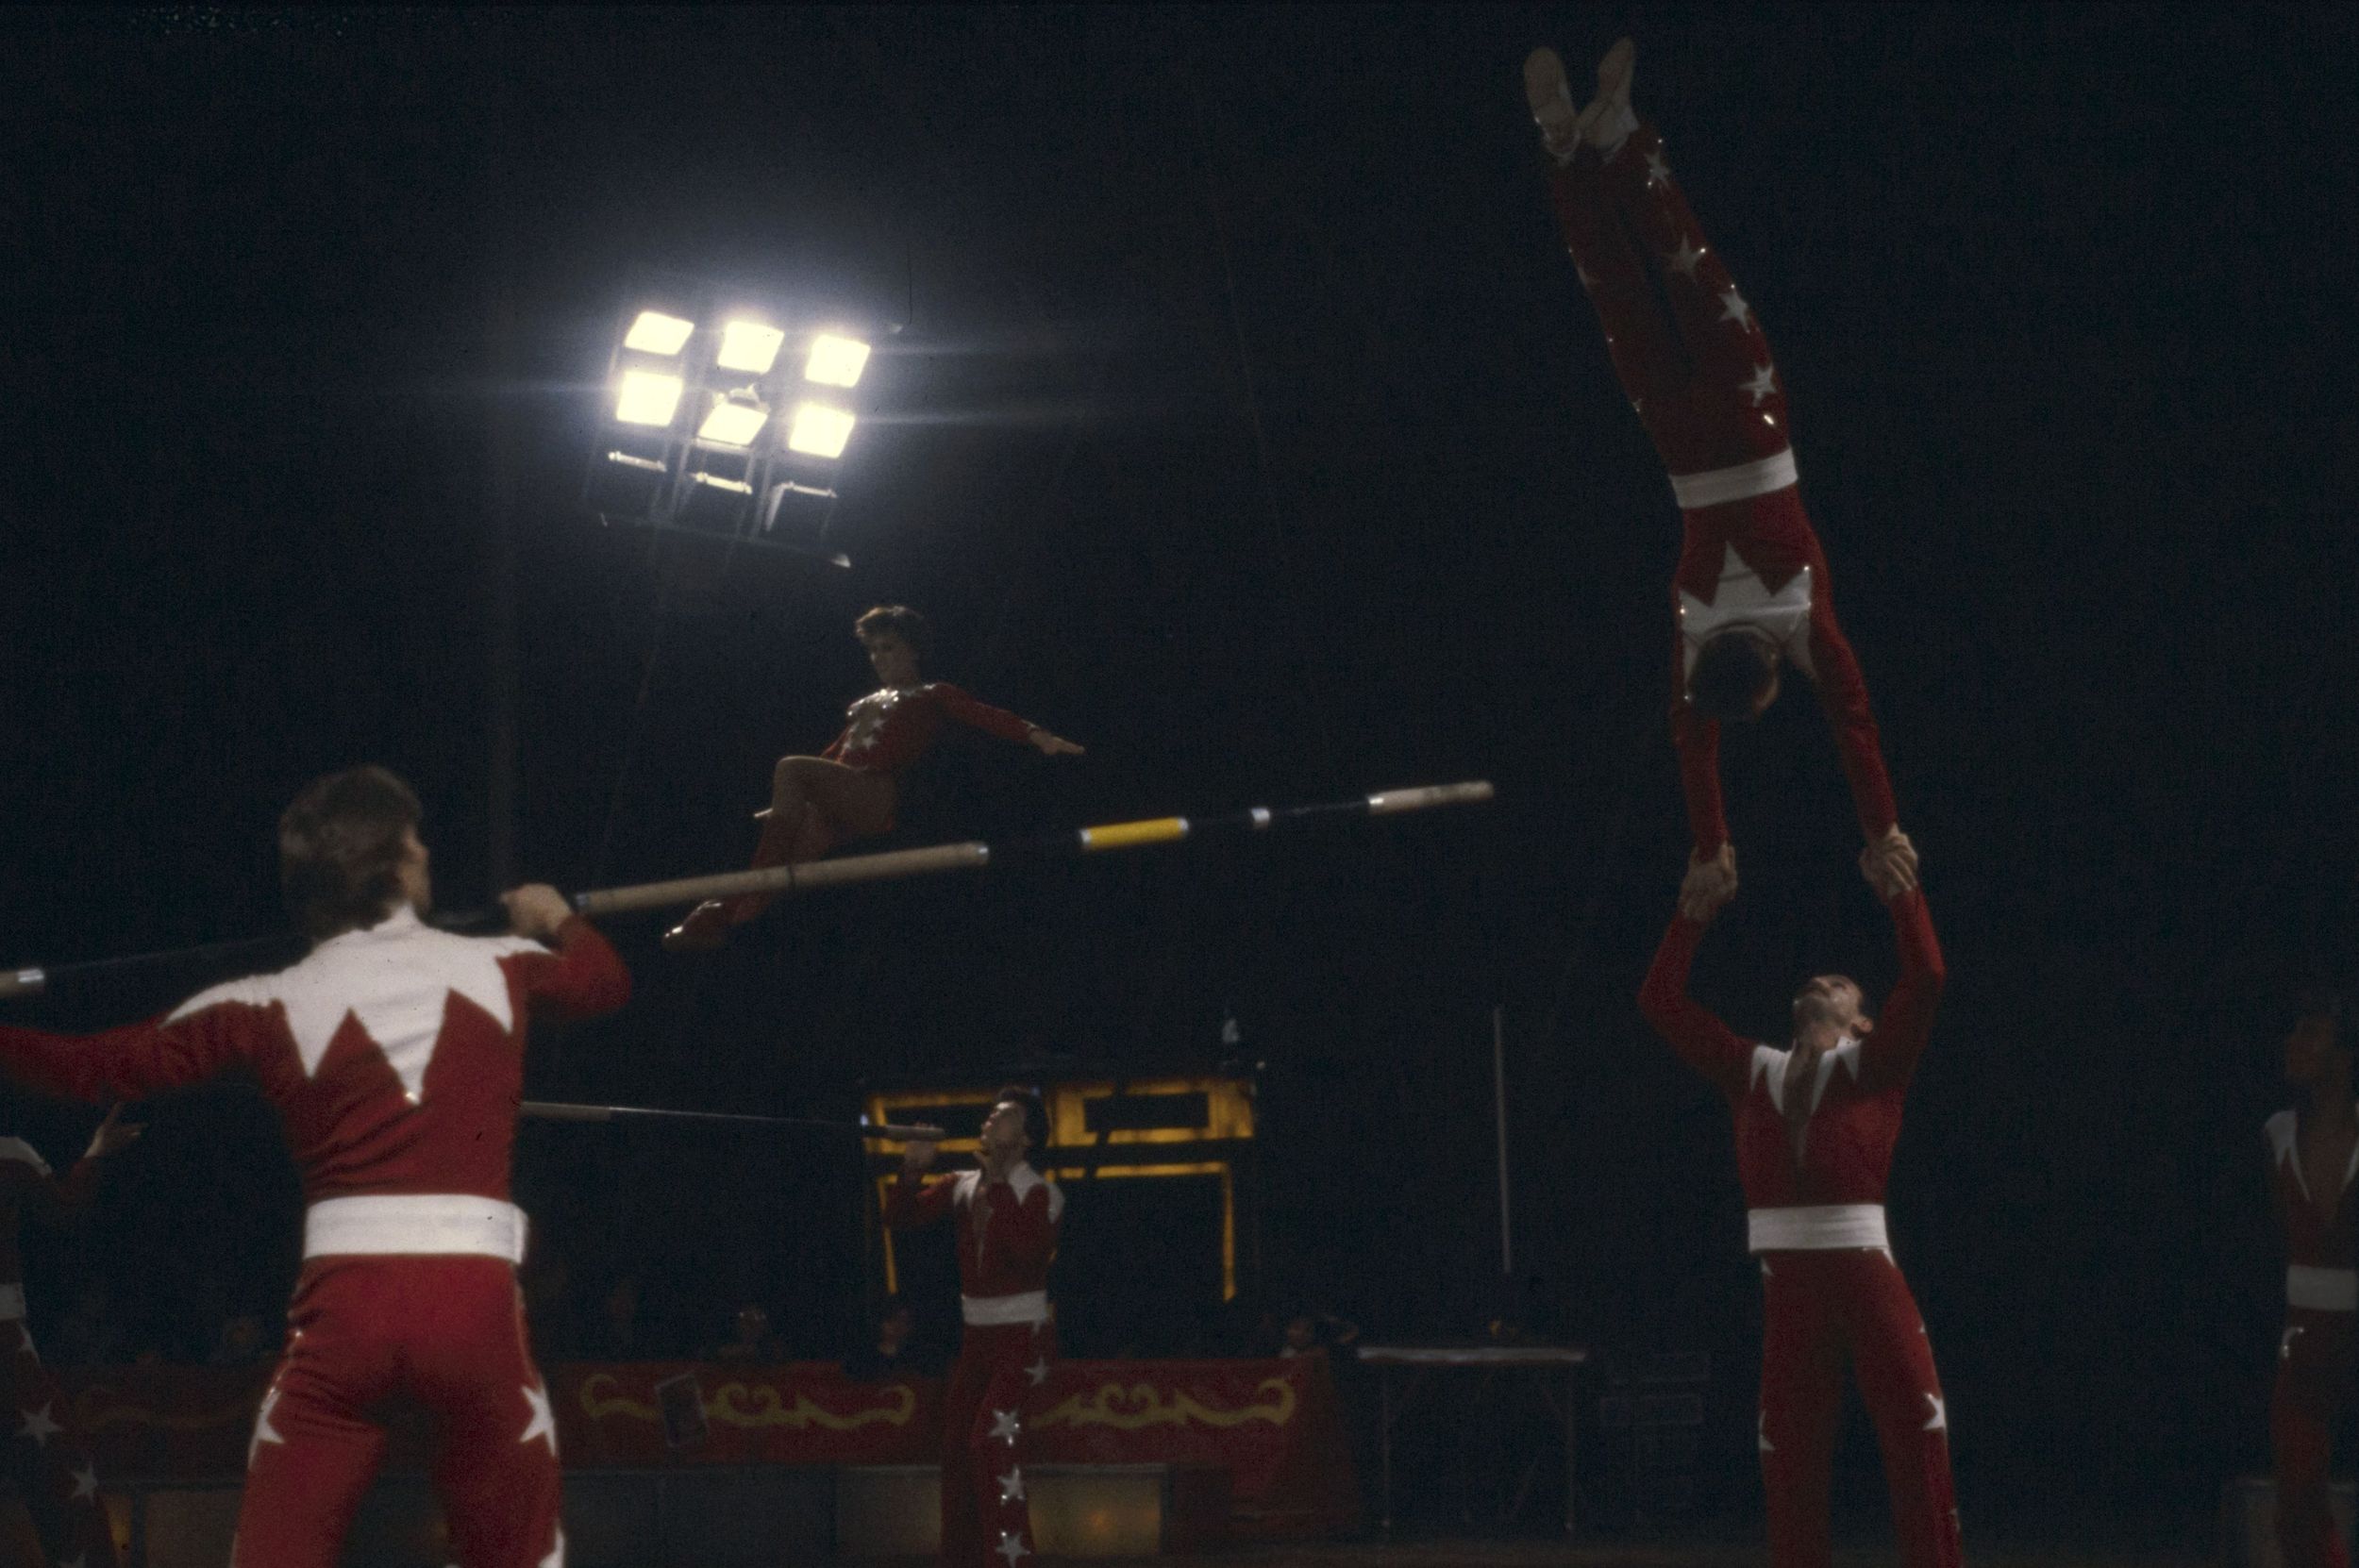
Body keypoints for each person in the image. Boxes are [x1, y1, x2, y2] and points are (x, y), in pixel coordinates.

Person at [0, 765, 631, 1568]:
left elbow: (97, 1067)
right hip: (474, 1319)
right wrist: (558, 917)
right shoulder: (507, 965)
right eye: (418, 841)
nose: (430, 854)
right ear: (397, 865)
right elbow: (604, 983)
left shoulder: (266, 1002)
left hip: (345, 1324)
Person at [1525, 39, 1915, 921]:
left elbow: (1857, 730)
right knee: (1619, 296)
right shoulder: (1695, 629)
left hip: (1752, 423)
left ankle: (1621, 135)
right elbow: (1689, 743)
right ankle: (1563, 148)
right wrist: (1708, 844)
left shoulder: (1802, 621)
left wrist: (1883, 830)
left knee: (1691, 272)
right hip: (1678, 447)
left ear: (1776, 670)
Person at [1637, 833, 1957, 1567]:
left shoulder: (1875, 1066)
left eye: (1843, 983)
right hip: (1788, 1287)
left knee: (1919, 1430)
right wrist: (1694, 911)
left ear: (1862, 1021)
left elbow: (1928, 975)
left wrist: (1900, 893)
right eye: (1819, 978)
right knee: (1787, 1456)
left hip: (1865, 1274)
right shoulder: (1750, 1070)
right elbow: (1659, 1000)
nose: (1825, 979)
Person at [664, 606, 1084, 951]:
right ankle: (717, 917)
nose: (879, 658)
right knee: (788, 868)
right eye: (873, 650)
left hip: (873, 793)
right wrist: (788, 803)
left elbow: (984, 715)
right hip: (841, 796)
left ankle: (737, 899)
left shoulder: (931, 693)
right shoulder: (866, 702)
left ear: (913, 651)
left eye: (888, 648)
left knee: (790, 767)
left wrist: (1037, 736)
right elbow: (837, 753)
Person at [884, 1090, 1062, 1568]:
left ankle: (1011, 1561)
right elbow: (900, 1218)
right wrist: (913, 1169)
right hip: (977, 1340)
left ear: (1026, 1137)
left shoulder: (1041, 1192)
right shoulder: (961, 1184)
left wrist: (999, 1182)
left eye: (1006, 1114)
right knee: (957, 1452)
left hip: (1025, 1340)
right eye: (992, 1111)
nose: (992, 1116)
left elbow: (1025, 1252)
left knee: (990, 1443)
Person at [1, 1106, 141, 1568]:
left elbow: (65, 1208)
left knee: (59, 1470)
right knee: (60, 1473)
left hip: (9, 1338)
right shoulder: (10, 1155)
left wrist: (96, 1154)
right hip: (7, 1342)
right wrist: (96, 1154)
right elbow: (66, 1209)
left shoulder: (10, 1157)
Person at [2266, 987, 2357, 1568]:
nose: (2292, 1042)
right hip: (2303, 1337)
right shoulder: (2276, 1133)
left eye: (2310, 1031)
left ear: (2345, 1053)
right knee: (2297, 1502)